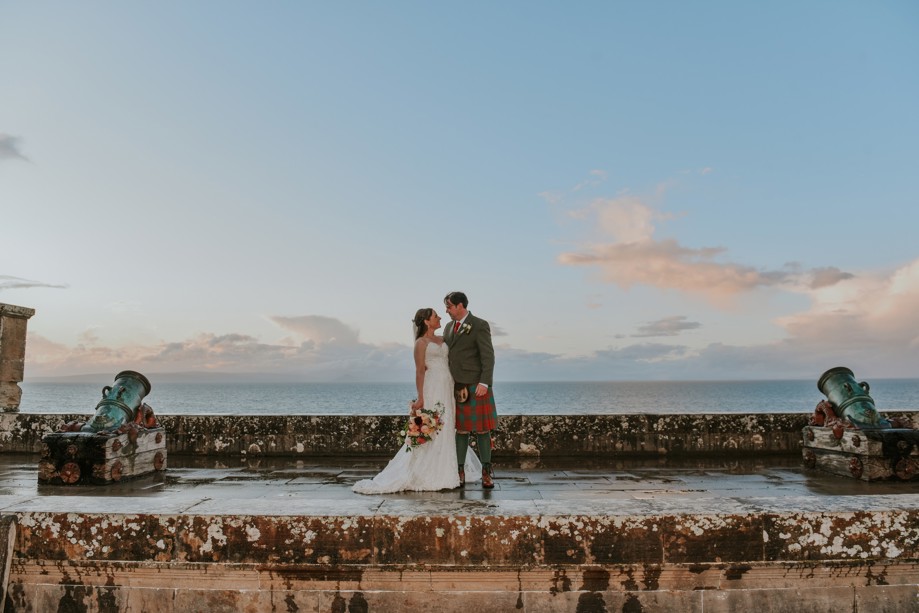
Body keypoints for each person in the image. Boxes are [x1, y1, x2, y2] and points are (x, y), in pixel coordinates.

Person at [353, 308, 482, 494]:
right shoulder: (421, 343)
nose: (439, 318)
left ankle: (448, 470)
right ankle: (427, 472)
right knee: (434, 426)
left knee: (447, 427)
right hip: (433, 388)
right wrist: (421, 397)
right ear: (427, 321)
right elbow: (420, 371)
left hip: (448, 387)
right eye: (435, 316)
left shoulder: (444, 339)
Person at [443, 291, 498, 488]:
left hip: (476, 384)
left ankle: (486, 471)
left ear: (460, 305)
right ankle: (459, 470)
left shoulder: (479, 324)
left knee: (483, 430)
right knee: (462, 429)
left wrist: (485, 382)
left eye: (449, 306)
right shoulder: (449, 327)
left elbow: (488, 356)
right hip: (456, 385)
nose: (447, 310)